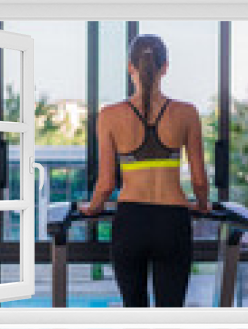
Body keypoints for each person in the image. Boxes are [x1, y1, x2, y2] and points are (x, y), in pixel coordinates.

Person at [79, 34, 211, 307]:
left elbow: (105, 184)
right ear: (165, 67)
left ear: (131, 67)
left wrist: (93, 208)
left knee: (134, 311)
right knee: (170, 312)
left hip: (131, 222)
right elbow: (199, 179)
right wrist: (201, 204)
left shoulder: (110, 115)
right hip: (172, 222)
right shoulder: (187, 113)